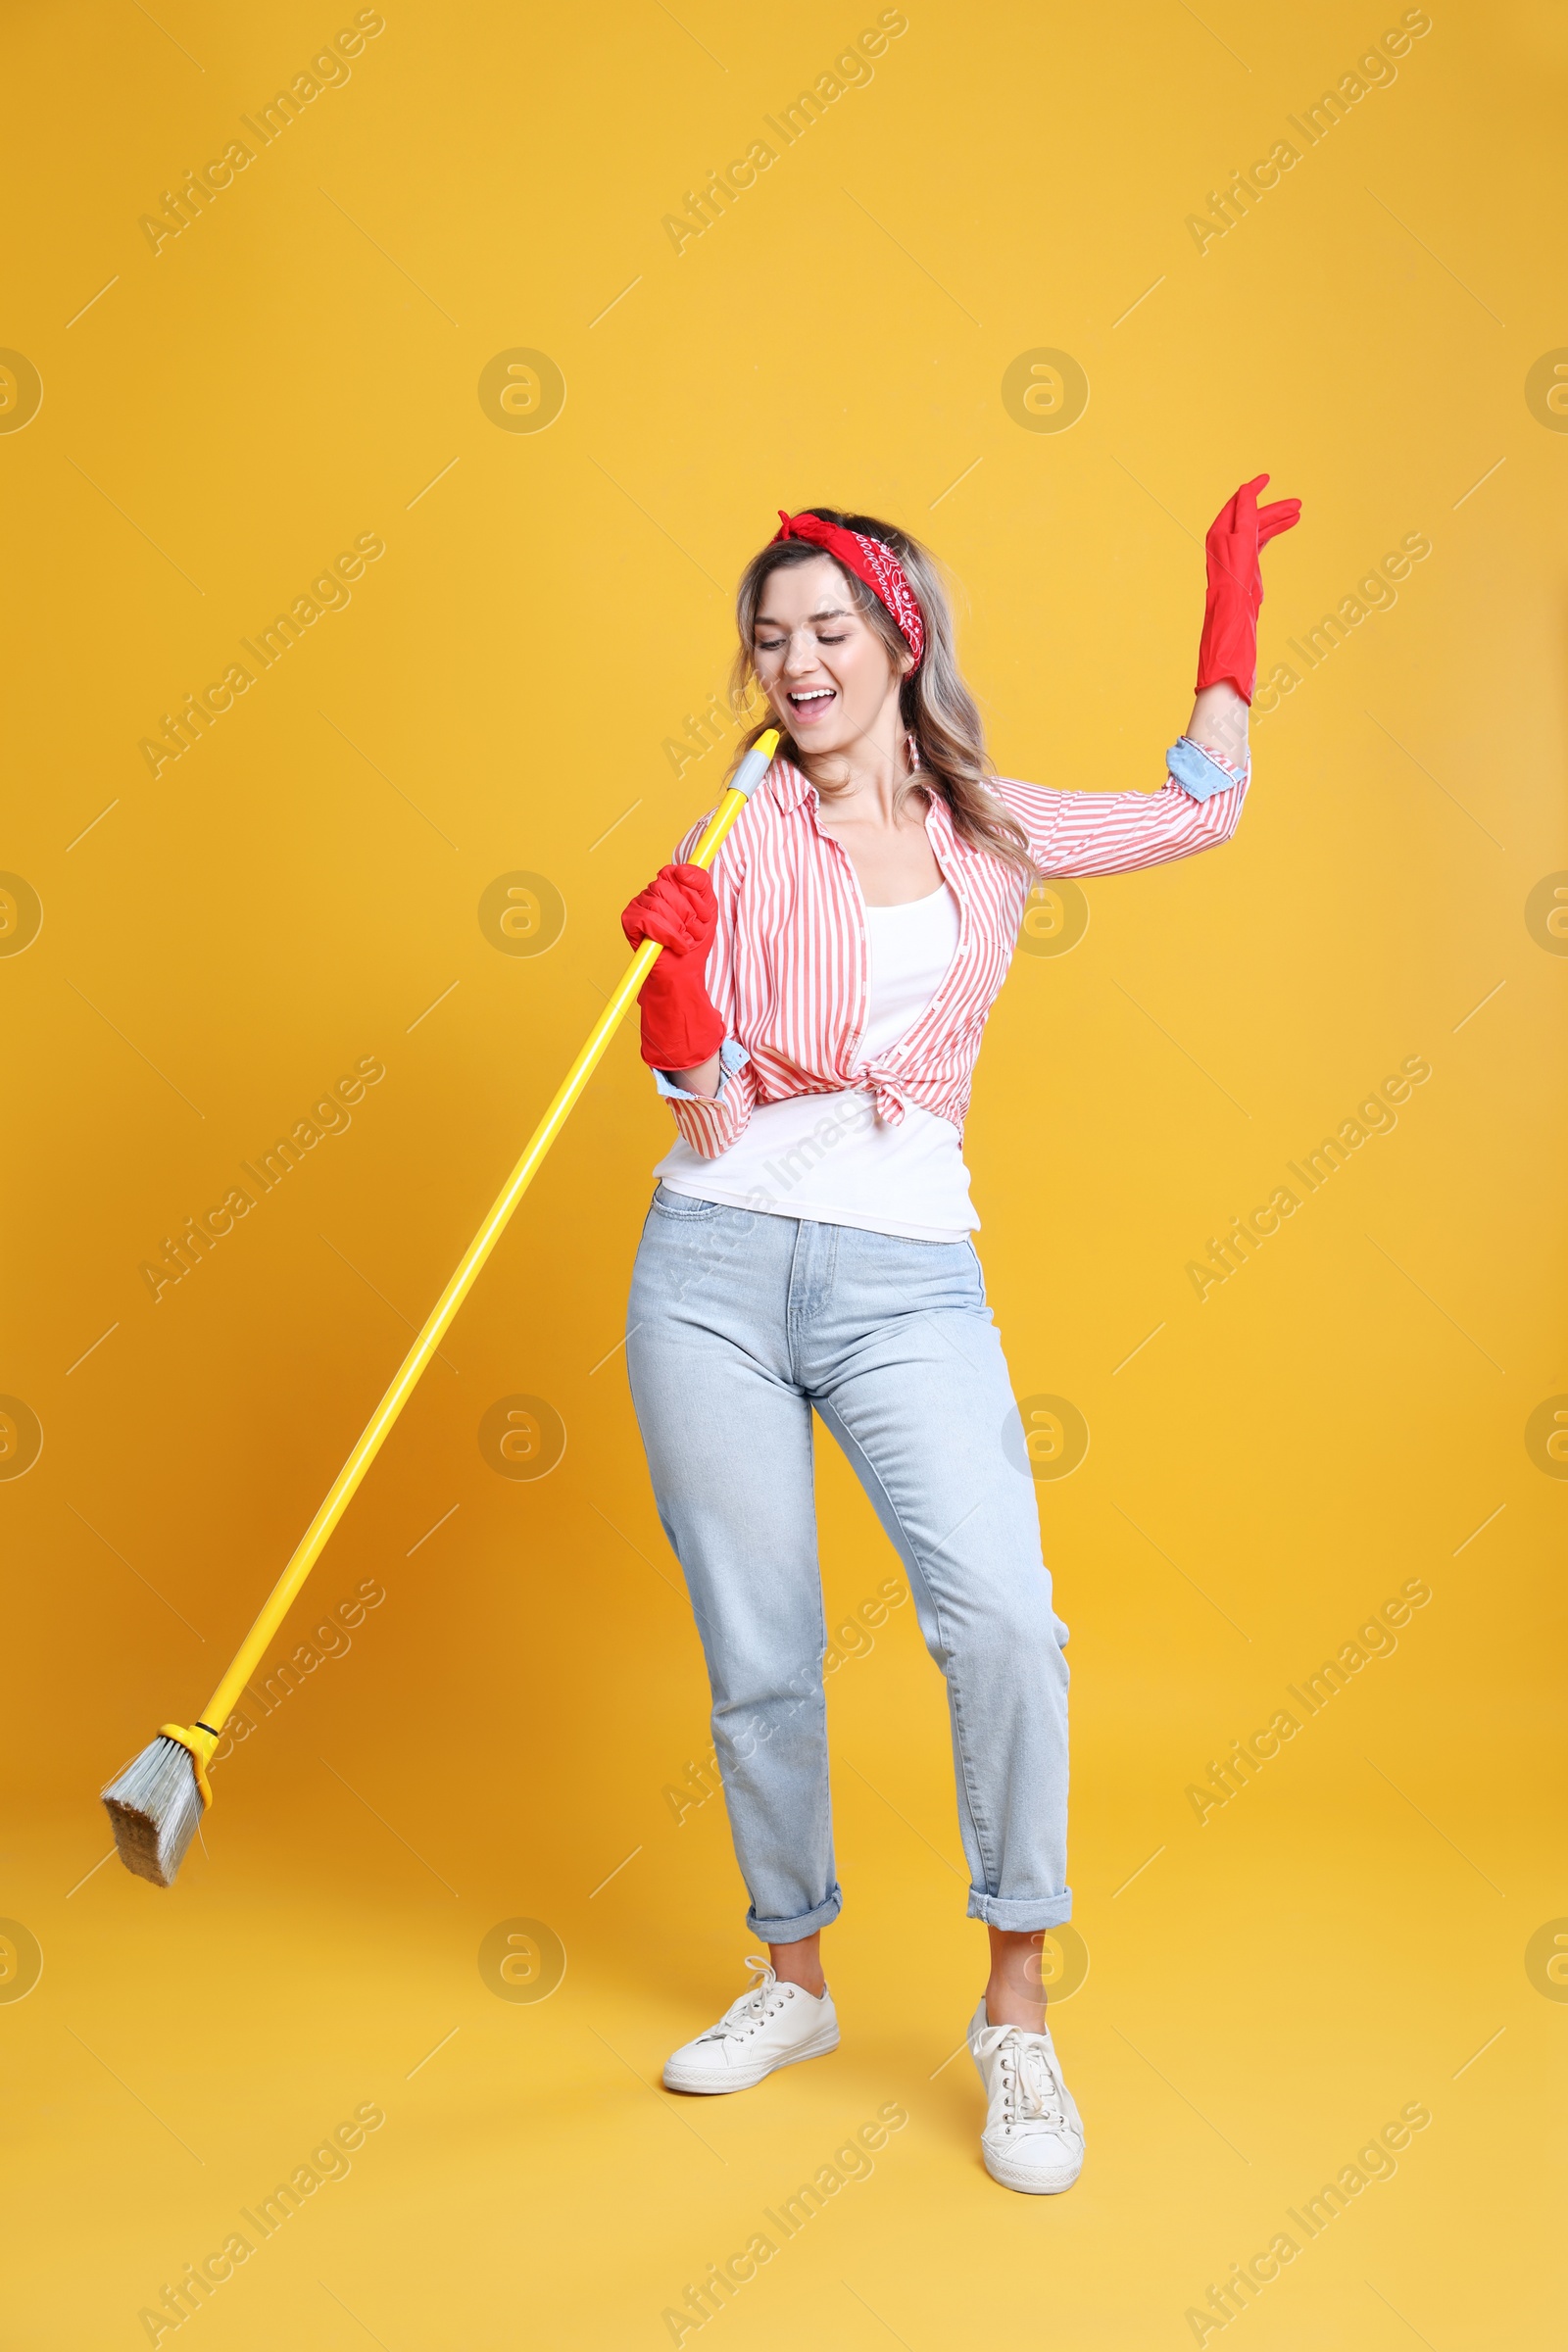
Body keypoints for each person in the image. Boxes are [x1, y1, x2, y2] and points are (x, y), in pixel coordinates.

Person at [619, 482, 1299, 2193]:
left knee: (1001, 1620)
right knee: (759, 1651)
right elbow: (702, 1113)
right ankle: (793, 1980)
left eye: (829, 632)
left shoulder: (986, 822)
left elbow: (1197, 816)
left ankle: (1017, 2017)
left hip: (905, 1276)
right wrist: (678, 1009)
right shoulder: (736, 828)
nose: (796, 663)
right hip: (708, 1265)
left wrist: (1228, 623)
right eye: (770, 639)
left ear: (897, 643)